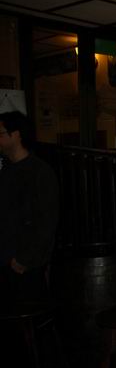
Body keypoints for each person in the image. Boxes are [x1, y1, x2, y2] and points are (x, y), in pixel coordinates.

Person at [0, 111, 58, 303]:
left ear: (16, 134)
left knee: (28, 310)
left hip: (25, 265)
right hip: (6, 261)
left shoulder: (39, 173)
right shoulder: (6, 172)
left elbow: (47, 221)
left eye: (1, 133)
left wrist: (25, 259)